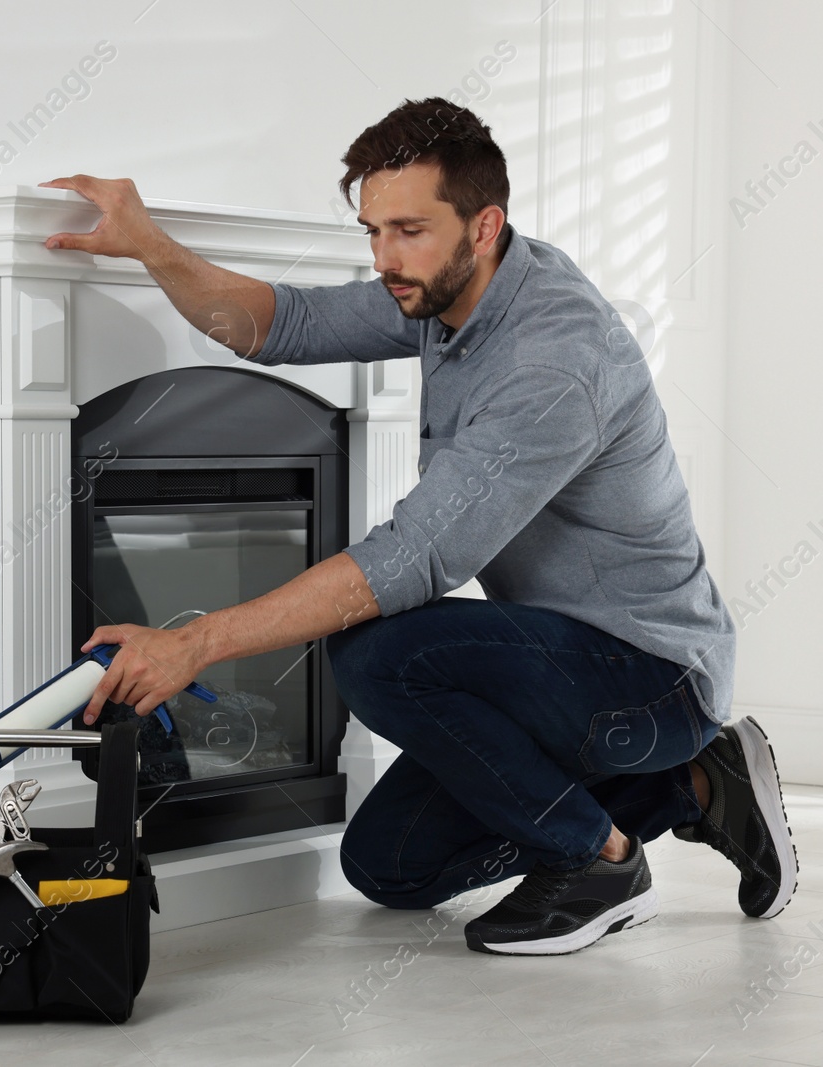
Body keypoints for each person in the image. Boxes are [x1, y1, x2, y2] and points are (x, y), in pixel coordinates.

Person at [39, 97, 798, 955]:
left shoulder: (554, 357)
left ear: (485, 226)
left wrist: (193, 644)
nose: (384, 258)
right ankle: (695, 786)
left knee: (376, 651)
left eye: (408, 230)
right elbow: (280, 325)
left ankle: (601, 863)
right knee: (390, 866)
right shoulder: (443, 294)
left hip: (650, 673)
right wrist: (147, 242)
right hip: (557, 660)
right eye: (372, 231)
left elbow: (410, 560)